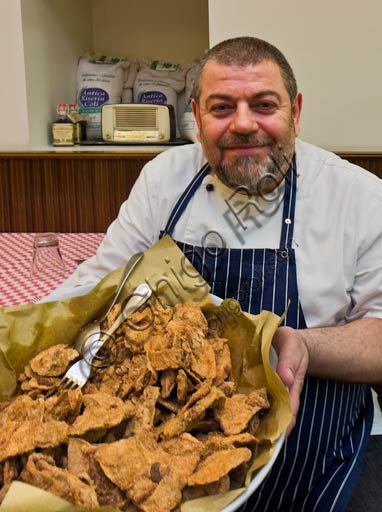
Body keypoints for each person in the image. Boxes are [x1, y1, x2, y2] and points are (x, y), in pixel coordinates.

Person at [52, 37, 382, 511]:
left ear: (296, 110)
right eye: (222, 107)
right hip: (170, 465)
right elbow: (102, 282)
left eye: (264, 105)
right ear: (196, 115)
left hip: (308, 454)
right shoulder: (164, 178)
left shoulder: (359, 198)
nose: (244, 124)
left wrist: (304, 344)